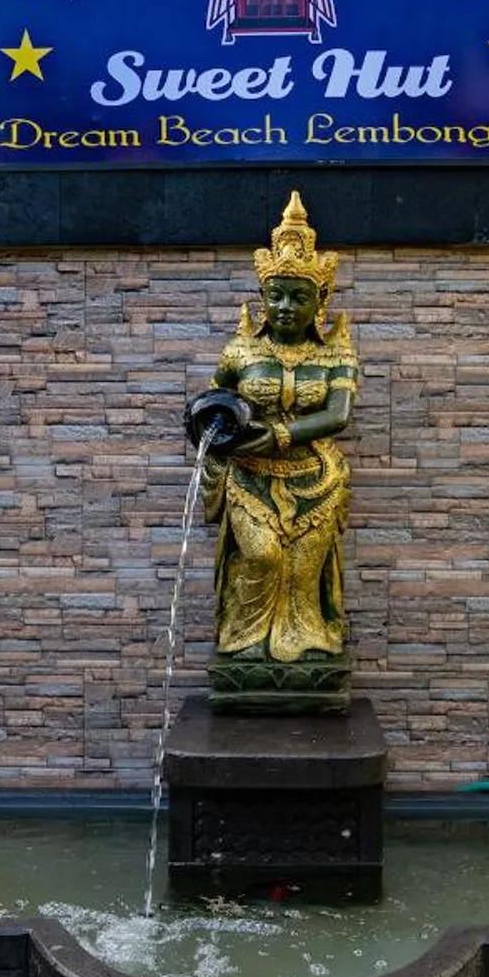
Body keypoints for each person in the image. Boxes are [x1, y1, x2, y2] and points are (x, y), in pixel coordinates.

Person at [203, 193, 357, 695]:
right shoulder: (241, 350)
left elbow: (338, 415)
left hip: (318, 479)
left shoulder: (335, 353)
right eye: (276, 295)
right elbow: (213, 402)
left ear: (320, 301)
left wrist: (285, 434)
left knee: (302, 574)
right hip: (249, 477)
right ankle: (244, 644)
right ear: (263, 297)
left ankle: (308, 647)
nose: (286, 307)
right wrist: (220, 431)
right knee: (264, 558)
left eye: (298, 297)